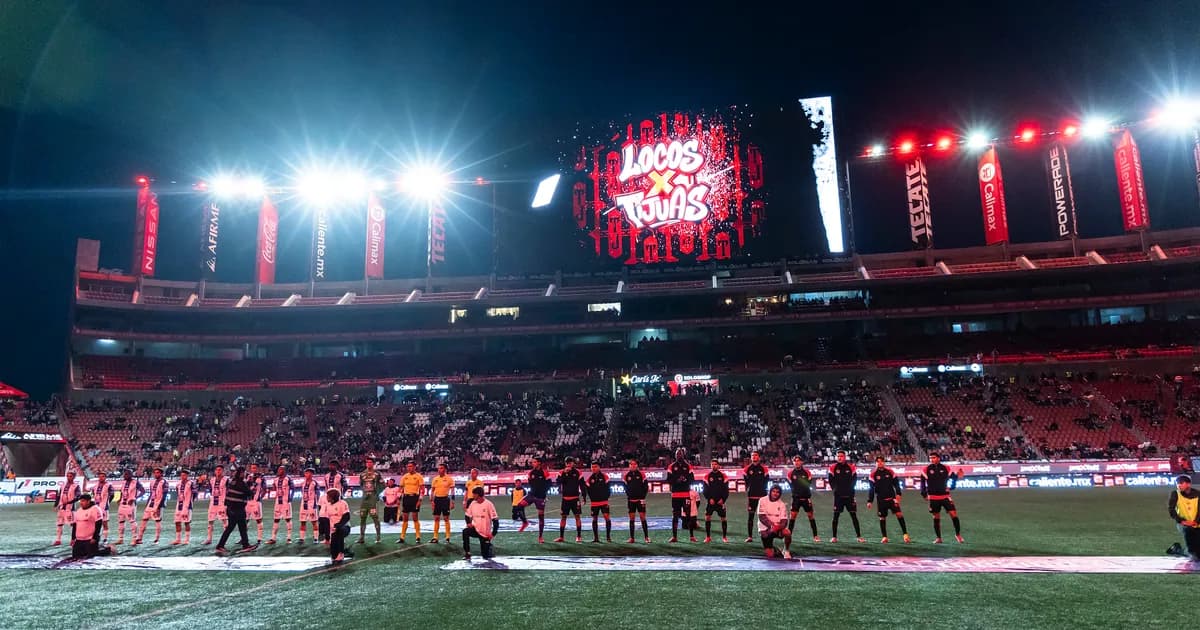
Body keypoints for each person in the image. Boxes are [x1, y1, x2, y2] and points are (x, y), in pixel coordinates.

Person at [920, 453, 964, 543]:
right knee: (936, 517)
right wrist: (924, 494)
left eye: (934, 458)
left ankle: (958, 535)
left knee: (954, 514)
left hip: (945, 496)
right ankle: (938, 538)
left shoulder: (946, 468)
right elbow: (922, 483)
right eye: (930, 458)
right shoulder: (926, 469)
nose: (932, 459)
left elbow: (954, 477)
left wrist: (952, 487)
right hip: (933, 497)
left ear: (938, 458)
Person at [867, 457, 910, 544]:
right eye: (877, 462)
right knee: (882, 518)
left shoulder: (890, 472)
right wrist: (870, 501)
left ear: (884, 462)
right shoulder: (873, 474)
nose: (879, 463)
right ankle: (884, 537)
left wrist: (898, 494)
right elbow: (871, 489)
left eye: (881, 461)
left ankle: (905, 535)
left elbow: (896, 484)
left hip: (892, 498)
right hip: (881, 499)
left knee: (899, 514)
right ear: (875, 463)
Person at [216, 467, 258, 554]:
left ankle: (245, 545)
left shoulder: (233, 481)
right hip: (237, 509)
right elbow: (250, 493)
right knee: (235, 528)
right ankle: (220, 546)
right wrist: (253, 486)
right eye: (244, 473)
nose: (244, 474)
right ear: (241, 473)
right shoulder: (241, 483)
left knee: (240, 527)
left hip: (231, 508)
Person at [827, 450, 864, 543]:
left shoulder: (851, 467)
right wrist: (835, 490)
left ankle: (859, 537)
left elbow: (854, 480)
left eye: (841, 456)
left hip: (849, 496)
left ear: (845, 457)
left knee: (853, 516)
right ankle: (834, 537)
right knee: (835, 516)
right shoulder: (832, 467)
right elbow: (831, 480)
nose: (840, 457)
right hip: (838, 496)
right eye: (838, 456)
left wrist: (850, 490)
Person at [69, 494, 115, 560]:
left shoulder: (95, 509)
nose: (81, 503)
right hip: (79, 539)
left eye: (83, 501)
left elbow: (98, 524)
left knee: (91, 556)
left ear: (88, 501)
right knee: (76, 556)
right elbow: (75, 525)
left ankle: (109, 549)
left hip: (90, 539)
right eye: (80, 501)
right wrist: (73, 538)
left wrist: (94, 537)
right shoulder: (78, 511)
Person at [787, 456, 820, 542]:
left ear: (802, 462)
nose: (797, 462)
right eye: (795, 461)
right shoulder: (790, 473)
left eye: (798, 461)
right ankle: (788, 536)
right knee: (792, 517)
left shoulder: (807, 472)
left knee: (811, 516)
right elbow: (792, 486)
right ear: (793, 462)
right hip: (796, 499)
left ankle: (815, 536)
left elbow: (808, 484)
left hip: (806, 498)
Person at [517, 457, 551, 543]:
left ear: (539, 463)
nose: (533, 463)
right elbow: (530, 483)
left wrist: (544, 494)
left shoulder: (545, 472)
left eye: (535, 462)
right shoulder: (531, 473)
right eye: (533, 462)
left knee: (541, 517)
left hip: (540, 497)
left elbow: (549, 483)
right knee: (519, 505)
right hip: (531, 495)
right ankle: (525, 522)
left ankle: (540, 537)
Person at [1168, 474, 1200, 561]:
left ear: (1189, 484)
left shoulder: (1198, 494)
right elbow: (1171, 510)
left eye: (1181, 483)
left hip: (1197, 524)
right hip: (1183, 524)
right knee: (1195, 556)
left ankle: (1177, 550)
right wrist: (1182, 521)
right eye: (1177, 483)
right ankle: (1189, 551)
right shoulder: (1175, 494)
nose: (1179, 485)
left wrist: (1196, 522)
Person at [462, 486, 498, 560]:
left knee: (485, 556)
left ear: (478, 495)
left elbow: (495, 520)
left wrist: (493, 533)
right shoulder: (473, 503)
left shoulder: (489, 504)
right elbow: (467, 515)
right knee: (465, 532)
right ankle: (467, 552)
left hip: (485, 532)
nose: (472, 496)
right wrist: (468, 523)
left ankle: (489, 547)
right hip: (475, 529)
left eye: (474, 494)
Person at [756, 485, 792, 559]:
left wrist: (777, 527)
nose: (775, 494)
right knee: (770, 555)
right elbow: (762, 517)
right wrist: (772, 526)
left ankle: (786, 550)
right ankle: (777, 550)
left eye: (777, 492)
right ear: (770, 492)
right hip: (765, 529)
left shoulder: (782, 504)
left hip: (777, 528)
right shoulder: (762, 500)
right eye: (773, 491)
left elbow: (784, 521)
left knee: (787, 532)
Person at [553, 457, 584, 543]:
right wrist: (564, 473)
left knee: (577, 516)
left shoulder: (578, 472)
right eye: (567, 462)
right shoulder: (561, 472)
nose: (568, 464)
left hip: (575, 499)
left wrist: (584, 497)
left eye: (570, 462)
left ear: (573, 463)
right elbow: (558, 482)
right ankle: (561, 537)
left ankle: (579, 536)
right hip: (565, 499)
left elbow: (582, 485)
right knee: (563, 517)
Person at [666, 448, 694, 543]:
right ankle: (674, 537)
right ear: (675, 456)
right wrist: (677, 480)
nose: (679, 455)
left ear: (683, 455)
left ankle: (692, 536)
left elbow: (692, 479)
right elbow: (669, 480)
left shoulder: (688, 466)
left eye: (680, 454)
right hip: (675, 495)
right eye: (677, 454)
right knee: (675, 516)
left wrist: (685, 480)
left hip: (686, 494)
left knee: (688, 515)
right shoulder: (671, 466)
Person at [134, 467, 167, 545]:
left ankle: (157, 539)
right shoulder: (152, 482)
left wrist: (159, 506)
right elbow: (152, 494)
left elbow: (164, 495)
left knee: (157, 521)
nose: (156, 474)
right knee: (144, 520)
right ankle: (139, 538)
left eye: (158, 473)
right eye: (155, 473)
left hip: (158, 505)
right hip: (150, 503)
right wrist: (147, 504)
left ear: (161, 474)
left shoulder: (164, 482)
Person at [743, 451, 769, 543]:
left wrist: (762, 489)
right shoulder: (747, 469)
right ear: (751, 457)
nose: (754, 457)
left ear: (759, 457)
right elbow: (746, 482)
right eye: (752, 455)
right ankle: (750, 536)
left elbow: (766, 481)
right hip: (752, 496)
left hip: (762, 496)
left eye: (756, 455)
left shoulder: (764, 469)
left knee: (764, 516)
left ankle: (767, 533)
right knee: (751, 516)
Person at [319, 461, 348, 544]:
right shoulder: (326, 476)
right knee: (326, 519)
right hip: (328, 500)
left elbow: (345, 486)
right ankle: (327, 538)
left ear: (336, 466)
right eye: (330, 465)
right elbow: (326, 487)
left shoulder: (340, 476)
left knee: (338, 519)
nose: (331, 466)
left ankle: (340, 536)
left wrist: (341, 495)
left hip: (337, 500)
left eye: (333, 465)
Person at [624, 459, 651, 543]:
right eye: (631, 464)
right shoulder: (626, 476)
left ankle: (646, 537)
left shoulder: (642, 474)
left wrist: (643, 496)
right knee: (631, 519)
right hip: (631, 500)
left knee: (643, 518)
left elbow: (646, 487)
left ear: (637, 465)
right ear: (629, 466)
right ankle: (632, 538)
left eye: (634, 464)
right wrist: (629, 495)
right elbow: (625, 488)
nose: (633, 466)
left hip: (640, 500)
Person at [357, 457, 383, 544]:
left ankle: (378, 537)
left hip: (372, 498)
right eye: (367, 462)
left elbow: (382, 485)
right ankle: (361, 537)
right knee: (362, 517)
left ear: (373, 463)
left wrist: (376, 495)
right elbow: (361, 484)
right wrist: (365, 493)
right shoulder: (362, 474)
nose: (368, 464)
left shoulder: (377, 473)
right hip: (364, 498)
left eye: (370, 462)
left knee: (375, 517)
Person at [397, 461, 425, 544]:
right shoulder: (404, 477)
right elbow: (400, 488)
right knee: (405, 519)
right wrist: (398, 498)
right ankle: (402, 537)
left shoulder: (419, 476)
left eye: (411, 466)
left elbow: (422, 490)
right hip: (406, 498)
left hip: (415, 498)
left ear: (415, 467)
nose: (409, 468)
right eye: (408, 466)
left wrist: (420, 500)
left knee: (415, 518)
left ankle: (418, 537)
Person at [114, 469, 144, 545]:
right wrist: (120, 499)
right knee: (121, 521)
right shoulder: (123, 482)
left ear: (131, 475)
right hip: (122, 504)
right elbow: (122, 491)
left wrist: (134, 498)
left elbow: (143, 491)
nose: (125, 475)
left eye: (127, 474)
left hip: (130, 505)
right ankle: (120, 539)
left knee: (132, 521)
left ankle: (134, 538)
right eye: (124, 474)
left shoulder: (135, 482)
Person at [585, 462, 612, 543]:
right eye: (592, 467)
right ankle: (596, 538)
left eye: (595, 467)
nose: (593, 468)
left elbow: (608, 488)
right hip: (594, 503)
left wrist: (606, 497)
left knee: (607, 517)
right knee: (594, 519)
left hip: (604, 501)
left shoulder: (605, 476)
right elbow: (588, 491)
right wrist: (592, 498)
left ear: (599, 467)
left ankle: (608, 537)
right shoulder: (589, 479)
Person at [704, 460, 730, 543]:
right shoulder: (707, 476)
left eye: (715, 464)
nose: (714, 466)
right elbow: (705, 490)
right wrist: (709, 499)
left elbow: (726, 490)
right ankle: (708, 537)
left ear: (718, 466)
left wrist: (723, 499)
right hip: (711, 502)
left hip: (720, 502)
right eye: (712, 464)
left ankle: (724, 537)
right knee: (707, 517)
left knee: (723, 518)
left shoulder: (723, 476)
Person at [53, 470, 81, 546]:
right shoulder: (62, 485)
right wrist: (55, 505)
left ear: (74, 477)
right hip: (61, 507)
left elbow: (78, 497)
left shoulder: (76, 486)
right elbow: (58, 496)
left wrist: (69, 502)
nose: (69, 477)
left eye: (70, 476)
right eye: (68, 476)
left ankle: (73, 539)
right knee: (59, 523)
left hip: (70, 508)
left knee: (73, 524)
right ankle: (58, 540)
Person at [203, 465, 229, 545]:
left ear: (223, 471)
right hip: (213, 503)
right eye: (217, 470)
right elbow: (211, 490)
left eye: (220, 470)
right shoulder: (212, 480)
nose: (218, 471)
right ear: (215, 471)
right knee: (210, 521)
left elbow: (229, 490)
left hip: (222, 503)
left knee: (224, 521)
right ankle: (209, 539)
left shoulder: (226, 480)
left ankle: (224, 540)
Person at [430, 463, 455, 543]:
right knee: (436, 518)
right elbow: (432, 490)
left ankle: (447, 537)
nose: (439, 470)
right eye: (439, 468)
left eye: (441, 468)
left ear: (445, 469)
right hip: (437, 500)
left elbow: (452, 491)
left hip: (445, 500)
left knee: (446, 518)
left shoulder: (449, 479)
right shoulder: (435, 479)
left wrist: (452, 502)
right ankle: (435, 537)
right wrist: (432, 501)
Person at [326, 488, 352, 563]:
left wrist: (339, 525)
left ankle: (341, 553)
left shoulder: (342, 503)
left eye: (328, 496)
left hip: (344, 527)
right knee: (333, 552)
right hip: (334, 529)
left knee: (339, 532)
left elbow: (347, 516)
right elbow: (328, 520)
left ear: (333, 497)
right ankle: (339, 553)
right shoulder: (328, 506)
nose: (327, 498)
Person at [268, 466, 293, 544]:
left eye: (281, 469)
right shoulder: (276, 479)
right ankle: (273, 538)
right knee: (276, 519)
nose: (279, 470)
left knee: (287, 519)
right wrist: (271, 489)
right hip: (278, 502)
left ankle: (289, 538)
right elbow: (274, 488)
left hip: (286, 502)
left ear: (284, 470)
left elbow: (293, 488)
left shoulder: (288, 479)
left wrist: (290, 498)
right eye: (278, 469)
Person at [170, 470, 196, 545]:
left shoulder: (191, 483)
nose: (182, 477)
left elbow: (195, 493)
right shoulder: (178, 483)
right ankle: (178, 539)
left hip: (187, 506)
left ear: (187, 476)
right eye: (181, 475)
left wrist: (190, 501)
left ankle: (187, 540)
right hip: (179, 505)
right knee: (177, 522)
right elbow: (177, 492)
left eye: (184, 475)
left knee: (186, 523)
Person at [87, 472, 113, 544]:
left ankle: (105, 538)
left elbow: (112, 495)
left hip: (104, 507)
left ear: (105, 477)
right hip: (96, 507)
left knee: (104, 523)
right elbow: (92, 494)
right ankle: (96, 537)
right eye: (100, 476)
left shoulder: (109, 485)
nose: (101, 478)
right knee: (94, 523)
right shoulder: (95, 486)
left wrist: (107, 503)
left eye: (103, 476)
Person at [298, 468, 321, 543]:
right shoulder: (303, 483)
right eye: (305, 473)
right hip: (303, 504)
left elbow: (318, 494)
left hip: (312, 504)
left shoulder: (315, 483)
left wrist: (316, 504)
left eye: (308, 473)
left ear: (311, 474)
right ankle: (301, 538)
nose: (306, 474)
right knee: (302, 521)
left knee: (314, 521)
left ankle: (316, 538)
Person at [246, 464, 267, 544]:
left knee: (258, 520)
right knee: (245, 520)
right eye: (252, 468)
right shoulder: (249, 477)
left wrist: (260, 498)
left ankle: (259, 538)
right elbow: (246, 486)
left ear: (257, 468)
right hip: (248, 501)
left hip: (256, 502)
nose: (253, 469)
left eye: (255, 468)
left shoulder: (261, 477)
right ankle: (244, 538)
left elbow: (264, 489)